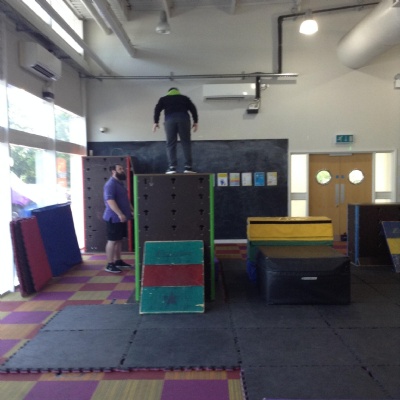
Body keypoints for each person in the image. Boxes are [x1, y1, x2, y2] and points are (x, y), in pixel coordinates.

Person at [153, 87, 198, 174]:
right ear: (178, 92)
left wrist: (155, 122)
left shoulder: (164, 99)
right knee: (186, 143)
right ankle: (188, 167)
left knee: (170, 144)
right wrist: (195, 121)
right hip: (184, 119)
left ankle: (172, 167)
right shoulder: (184, 98)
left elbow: (157, 109)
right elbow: (193, 109)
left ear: (168, 92)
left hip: (169, 120)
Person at [103, 164, 133, 273]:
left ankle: (118, 261)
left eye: (122, 168)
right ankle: (109, 264)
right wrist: (119, 214)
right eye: (120, 169)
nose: (122, 170)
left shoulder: (120, 184)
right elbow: (110, 201)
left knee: (119, 240)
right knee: (112, 241)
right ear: (113, 171)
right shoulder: (110, 184)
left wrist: (132, 210)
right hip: (113, 217)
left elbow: (125, 200)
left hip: (121, 218)